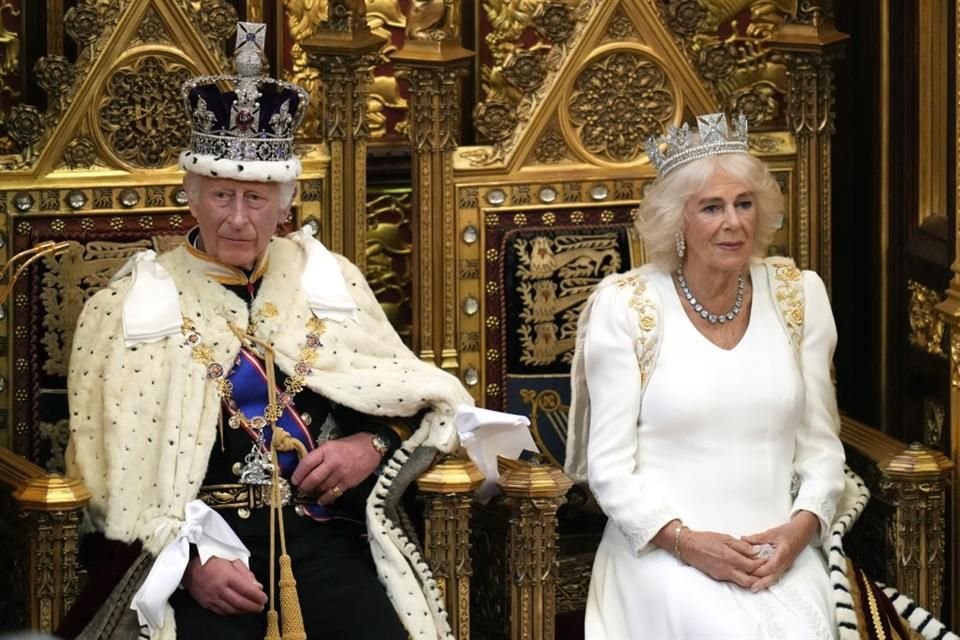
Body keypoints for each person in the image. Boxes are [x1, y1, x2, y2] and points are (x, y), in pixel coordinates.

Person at [65, 21, 472, 640]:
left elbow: (410, 395)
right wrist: (187, 563)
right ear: (191, 196)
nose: (236, 218)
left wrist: (370, 448)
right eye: (221, 195)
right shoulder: (125, 305)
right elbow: (103, 476)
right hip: (197, 554)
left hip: (321, 535)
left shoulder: (328, 280)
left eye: (256, 200)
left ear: (285, 204)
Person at [564, 112, 847, 639]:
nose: (733, 222)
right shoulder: (627, 307)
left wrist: (799, 529)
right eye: (711, 207)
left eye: (744, 204)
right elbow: (609, 469)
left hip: (779, 552)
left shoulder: (797, 295)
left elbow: (822, 449)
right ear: (678, 222)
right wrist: (688, 542)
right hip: (663, 552)